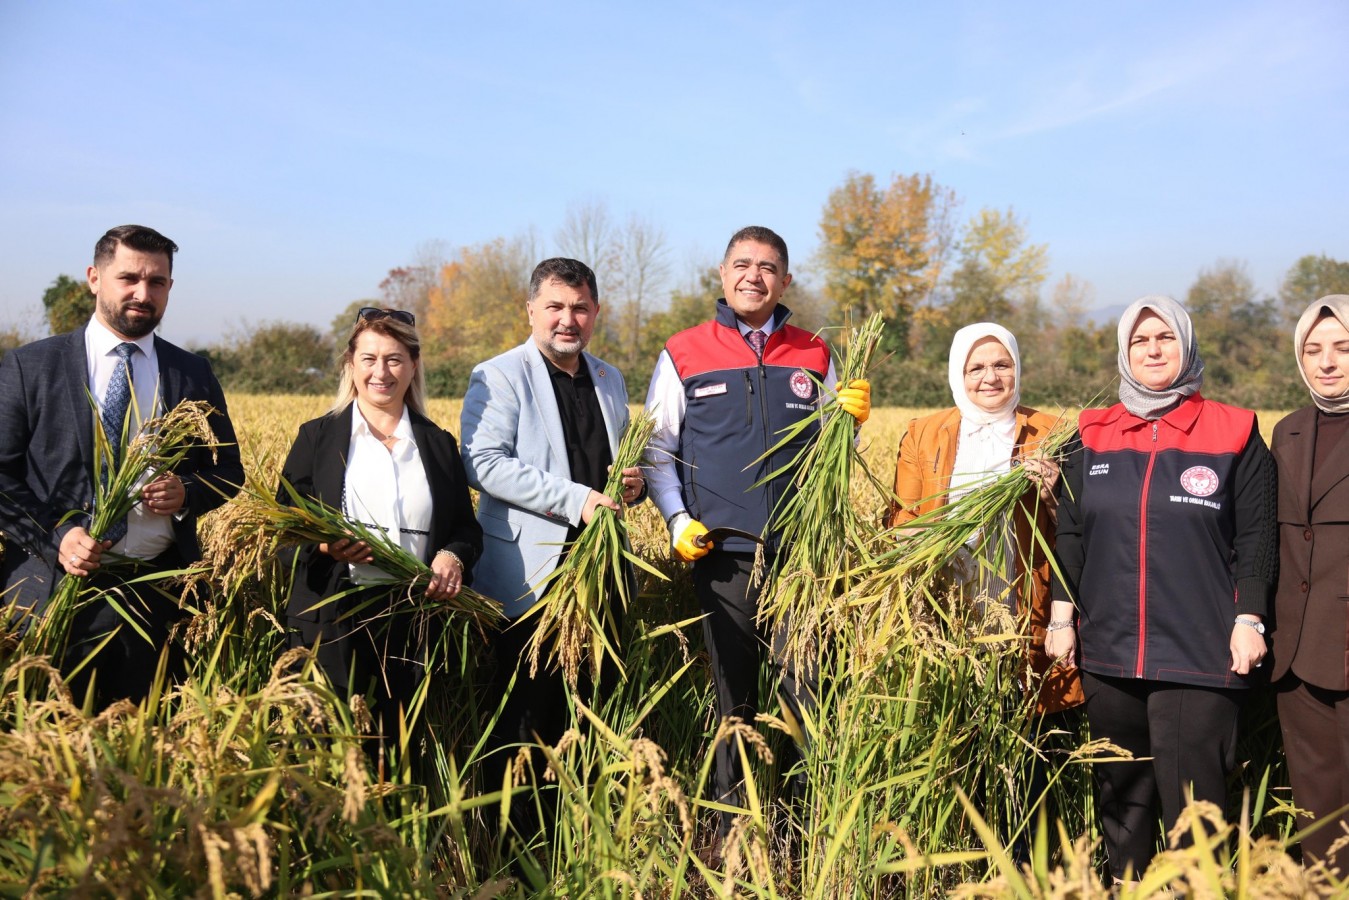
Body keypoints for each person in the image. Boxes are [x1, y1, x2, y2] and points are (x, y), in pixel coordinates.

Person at [644, 226, 870, 845]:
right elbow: (658, 450)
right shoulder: (684, 351)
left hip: (803, 556)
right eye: (742, 264)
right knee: (732, 700)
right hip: (724, 555)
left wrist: (847, 425)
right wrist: (677, 520)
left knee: (805, 697)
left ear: (786, 280)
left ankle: (800, 834)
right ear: (721, 274)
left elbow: (834, 455)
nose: (754, 276)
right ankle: (730, 835)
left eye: (768, 267)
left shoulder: (816, 353)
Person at [1047, 295, 1276, 882]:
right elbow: (1070, 531)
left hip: (1199, 653)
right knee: (1122, 799)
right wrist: (1062, 617)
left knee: (1194, 805)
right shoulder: (1090, 433)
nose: (1152, 350)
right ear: (1125, 352)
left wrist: (1249, 618)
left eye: (1164, 338)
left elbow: (1256, 536)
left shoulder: (1235, 430)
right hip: (1108, 650)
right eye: (1140, 341)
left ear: (1186, 346)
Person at [0, 224, 244, 708]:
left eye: (157, 282)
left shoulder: (191, 372)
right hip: (51, 592)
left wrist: (188, 493)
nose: (142, 293)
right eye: (128, 278)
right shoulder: (30, 366)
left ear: (170, 288)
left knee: (146, 753)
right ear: (94, 277)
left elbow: (229, 471)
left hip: (158, 593)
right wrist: (57, 536)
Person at [459, 257, 644, 843]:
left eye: (581, 308)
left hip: (602, 572)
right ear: (532, 310)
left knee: (590, 707)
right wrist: (579, 499)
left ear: (595, 314)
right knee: (524, 717)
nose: (569, 319)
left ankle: (577, 838)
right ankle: (513, 847)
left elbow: (611, 469)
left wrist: (627, 487)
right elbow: (482, 463)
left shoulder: (610, 378)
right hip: (529, 575)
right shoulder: (499, 374)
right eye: (557, 307)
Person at [278, 307, 482, 763]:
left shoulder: (437, 444)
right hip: (331, 622)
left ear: (413, 366)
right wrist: (325, 547)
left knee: (398, 756)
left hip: (410, 621)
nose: (381, 372)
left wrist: (452, 557)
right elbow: (284, 533)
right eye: (369, 358)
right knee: (326, 756)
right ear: (350, 364)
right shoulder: (316, 438)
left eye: (394, 359)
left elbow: (465, 527)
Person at [887, 322, 1083, 715]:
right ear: (958, 373)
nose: (990, 377)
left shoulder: (1055, 434)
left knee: (1025, 720)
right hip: (947, 605)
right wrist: (923, 534)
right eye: (975, 368)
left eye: (1002, 365)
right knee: (955, 715)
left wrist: (1051, 495)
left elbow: (1080, 531)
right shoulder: (922, 434)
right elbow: (899, 522)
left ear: (1018, 370)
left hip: (1022, 604)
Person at [1270, 294, 1349, 873]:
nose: (1327, 362)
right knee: (1318, 808)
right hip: (1298, 652)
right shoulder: (1288, 431)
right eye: (1313, 349)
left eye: (1343, 347)